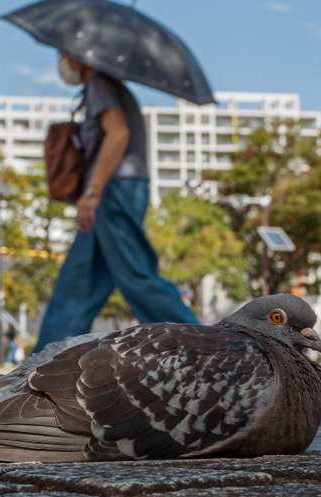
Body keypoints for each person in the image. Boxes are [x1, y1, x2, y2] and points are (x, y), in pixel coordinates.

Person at [32, 52, 198, 352]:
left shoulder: (100, 83)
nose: (61, 58)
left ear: (80, 55)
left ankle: (206, 349)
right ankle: (42, 365)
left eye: (63, 52)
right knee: (77, 285)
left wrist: (93, 192)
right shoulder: (103, 87)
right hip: (115, 189)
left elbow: (118, 134)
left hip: (113, 190)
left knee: (137, 277)